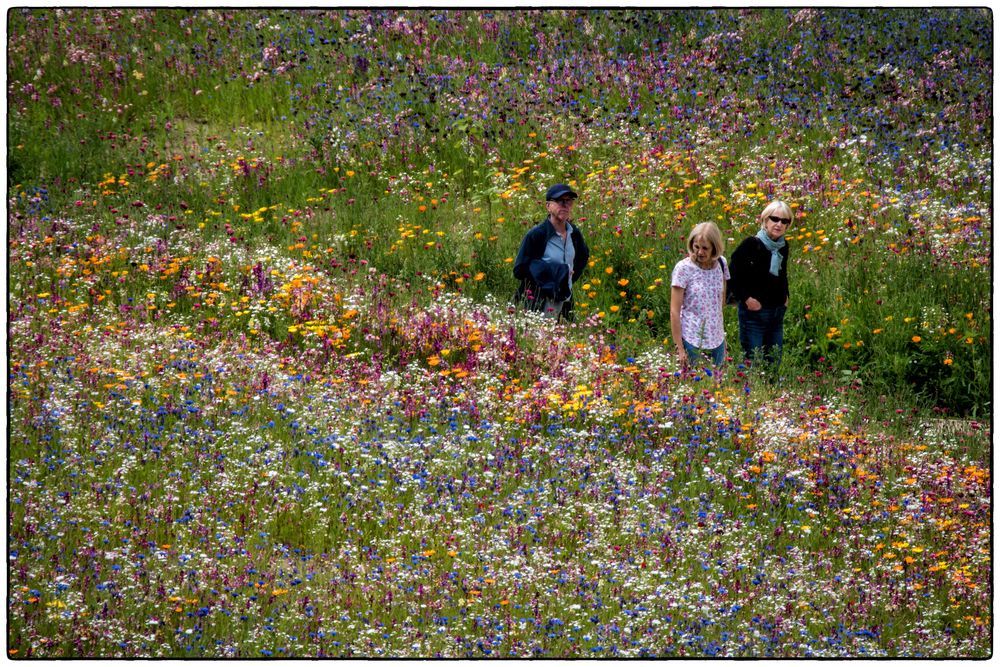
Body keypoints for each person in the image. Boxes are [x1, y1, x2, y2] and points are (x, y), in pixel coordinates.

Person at [728, 200, 793, 371]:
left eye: (784, 221)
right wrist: (747, 299)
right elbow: (732, 274)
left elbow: (782, 273)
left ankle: (772, 396)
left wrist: (786, 296)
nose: (779, 224)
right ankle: (751, 395)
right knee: (753, 363)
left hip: (777, 313)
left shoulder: (783, 246)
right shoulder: (751, 244)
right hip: (754, 314)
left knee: (774, 362)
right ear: (765, 220)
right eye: (775, 219)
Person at [513, 183, 590, 321]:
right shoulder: (537, 235)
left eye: (569, 201)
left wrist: (567, 279)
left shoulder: (574, 233)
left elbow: (582, 259)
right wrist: (557, 273)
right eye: (560, 201)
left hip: (565, 299)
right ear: (548, 206)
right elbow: (520, 270)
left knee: (565, 340)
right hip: (539, 302)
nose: (565, 205)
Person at [670, 222, 730, 368]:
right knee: (694, 384)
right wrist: (680, 348)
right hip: (691, 337)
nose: (700, 252)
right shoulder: (683, 268)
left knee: (718, 385)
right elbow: (674, 311)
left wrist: (723, 340)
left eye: (705, 248)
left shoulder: (721, 263)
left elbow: (720, 303)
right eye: (696, 247)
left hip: (717, 339)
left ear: (714, 248)